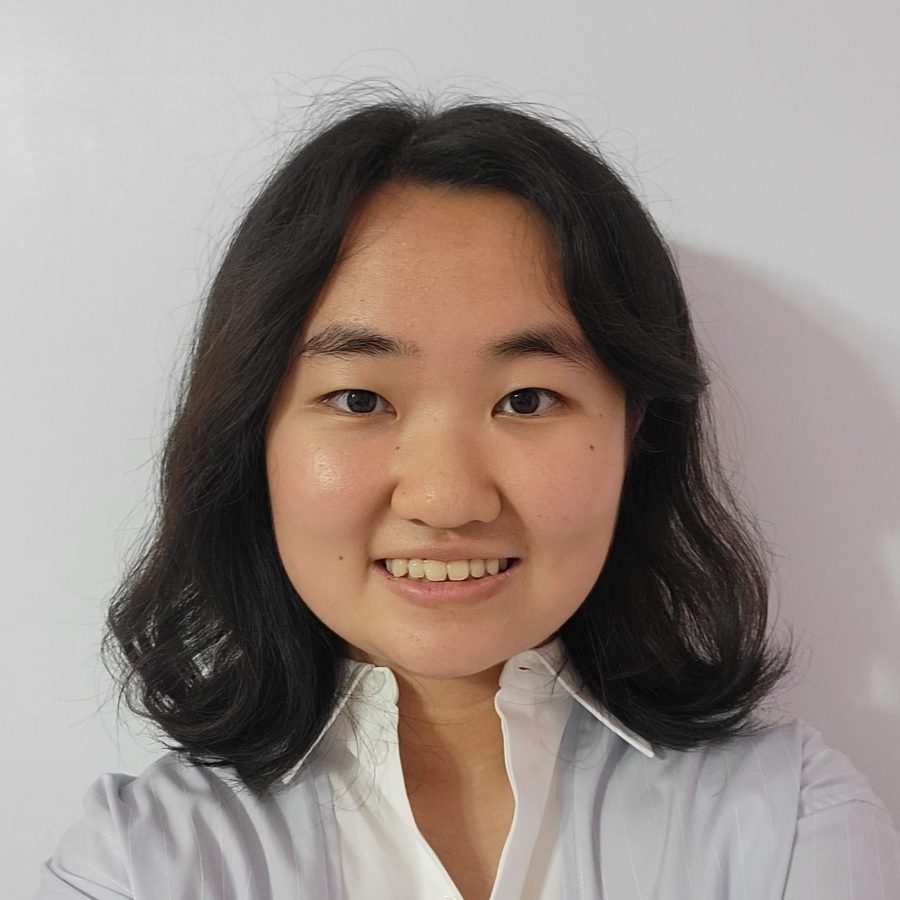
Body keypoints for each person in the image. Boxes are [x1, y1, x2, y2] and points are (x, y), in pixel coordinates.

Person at [32, 90, 900, 900]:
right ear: (252, 432)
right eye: (359, 399)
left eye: (528, 399)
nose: (447, 500)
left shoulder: (787, 824)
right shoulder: (139, 861)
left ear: (636, 429)